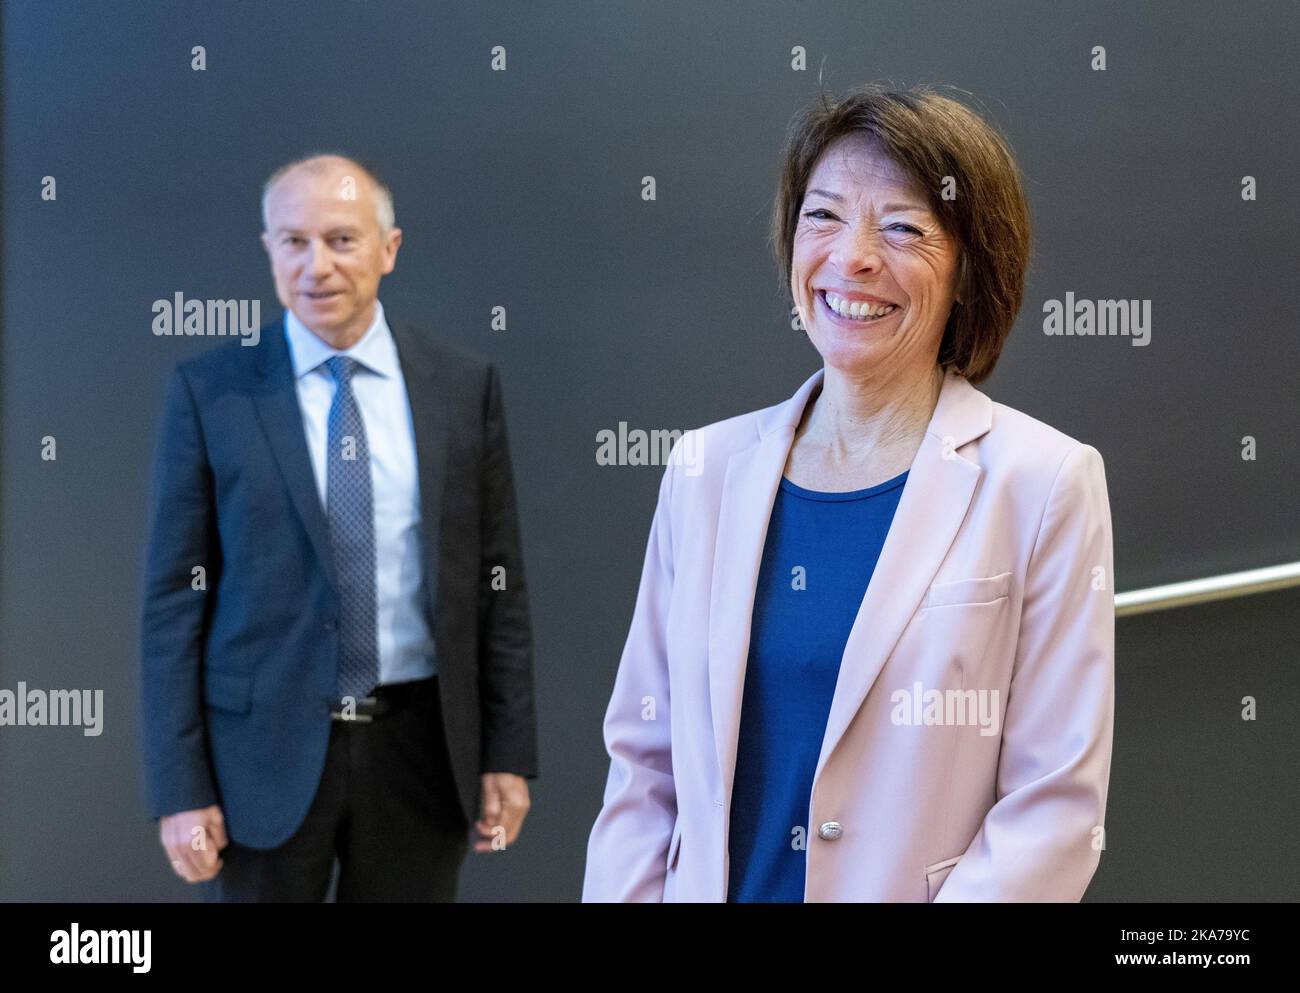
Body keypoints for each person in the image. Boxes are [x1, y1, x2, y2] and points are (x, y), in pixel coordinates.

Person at [582, 84, 1115, 902]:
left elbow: (1053, 808)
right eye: (823, 216)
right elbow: (644, 768)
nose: (852, 255)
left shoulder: (1042, 482)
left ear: (971, 268)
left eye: (902, 226)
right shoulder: (703, 470)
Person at [140, 153, 537, 901]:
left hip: (420, 753)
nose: (315, 265)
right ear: (268, 250)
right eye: (293, 241)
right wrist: (178, 786)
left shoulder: (460, 386)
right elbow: (171, 606)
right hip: (257, 762)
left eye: (341, 240)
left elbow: (498, 583)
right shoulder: (211, 392)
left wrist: (507, 753)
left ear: (389, 249)